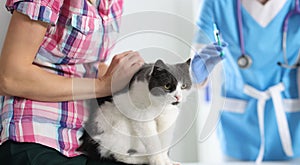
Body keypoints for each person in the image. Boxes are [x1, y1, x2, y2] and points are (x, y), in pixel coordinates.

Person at [0, 0, 144, 164]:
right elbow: (10, 77)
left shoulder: (113, 3)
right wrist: (102, 85)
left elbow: (91, 63)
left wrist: (125, 80)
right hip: (40, 133)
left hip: (88, 136)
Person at [192, 0, 300, 162]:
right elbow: (197, 53)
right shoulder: (217, 3)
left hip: (291, 121)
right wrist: (196, 71)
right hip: (236, 127)